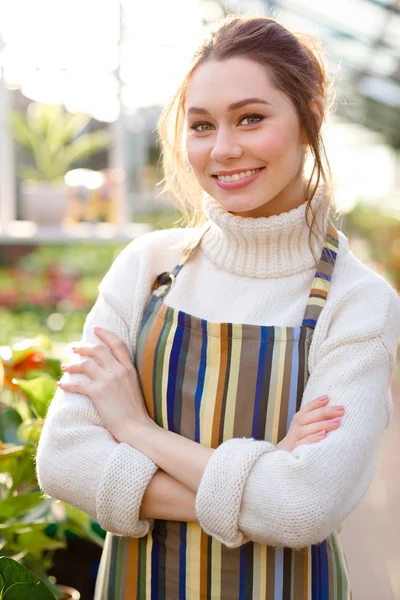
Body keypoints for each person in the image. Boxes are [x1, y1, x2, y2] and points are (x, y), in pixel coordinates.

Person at [36, 15, 400, 599]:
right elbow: (63, 460)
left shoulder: (359, 302)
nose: (223, 149)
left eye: (251, 118)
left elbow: (305, 509)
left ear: (311, 117)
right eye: (201, 125)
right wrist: (264, 476)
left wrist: (134, 429)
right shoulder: (147, 268)